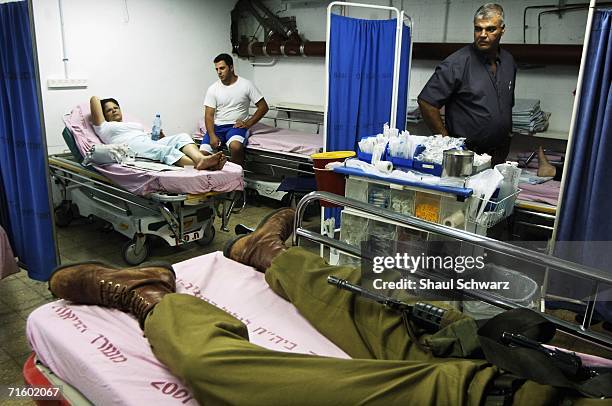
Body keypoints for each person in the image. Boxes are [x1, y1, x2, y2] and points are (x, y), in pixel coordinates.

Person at [48, 209, 607, 405]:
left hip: (483, 397)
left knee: (221, 373)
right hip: (518, 358)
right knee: (372, 296)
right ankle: (269, 255)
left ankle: (147, 296)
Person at [418, 3, 516, 166]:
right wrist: (447, 142)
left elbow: (507, 103)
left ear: (502, 30)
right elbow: (427, 102)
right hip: (466, 156)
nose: (483, 34)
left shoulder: (508, 61)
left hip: (498, 155)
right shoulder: (457, 63)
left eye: (490, 29)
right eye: (478, 29)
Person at [90, 96, 226, 170]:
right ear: (103, 114)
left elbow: (149, 143)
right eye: (109, 110)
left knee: (182, 136)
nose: (114, 110)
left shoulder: (130, 124)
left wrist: (160, 138)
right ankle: (200, 163)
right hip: (129, 146)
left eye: (116, 107)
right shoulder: (103, 126)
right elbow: (94, 99)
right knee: (163, 150)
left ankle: (200, 159)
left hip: (146, 142)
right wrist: (102, 106)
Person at [201, 53, 269, 166]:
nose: (219, 72)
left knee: (235, 147)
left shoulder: (246, 85)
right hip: (217, 128)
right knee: (202, 154)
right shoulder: (213, 89)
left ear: (231, 67)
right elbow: (208, 115)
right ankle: (213, 180)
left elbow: (263, 107)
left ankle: (236, 177)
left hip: (235, 127)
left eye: (222, 68)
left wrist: (248, 124)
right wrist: (212, 135)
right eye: (216, 69)